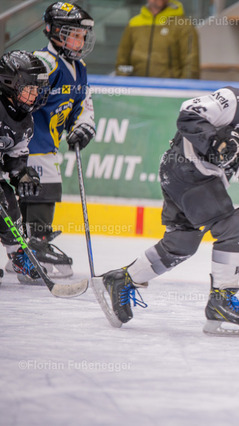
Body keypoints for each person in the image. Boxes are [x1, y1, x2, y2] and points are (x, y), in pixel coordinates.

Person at [97, 45, 239, 336]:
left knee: (181, 244)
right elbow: (189, 114)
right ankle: (221, 300)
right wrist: (217, 141)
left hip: (200, 177)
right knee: (233, 227)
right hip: (186, 170)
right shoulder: (234, 100)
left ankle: (121, 279)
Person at [18, 2, 96, 281]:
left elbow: (82, 104)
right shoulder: (42, 63)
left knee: (34, 190)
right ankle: (35, 246)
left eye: (82, 36)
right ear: (54, 32)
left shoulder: (79, 68)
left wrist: (83, 126)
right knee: (44, 184)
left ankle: (25, 250)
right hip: (27, 145)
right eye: (74, 35)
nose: (80, 41)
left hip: (46, 146)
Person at [0, 50, 49, 282]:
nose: (35, 94)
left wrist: (22, 175)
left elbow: (15, 156)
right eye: (30, 88)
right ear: (10, 84)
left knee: (8, 199)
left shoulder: (25, 120)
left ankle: (18, 255)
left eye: (37, 89)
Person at [115, 0, 200, 79]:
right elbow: (122, 61)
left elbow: (191, 66)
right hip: (137, 88)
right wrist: (126, 84)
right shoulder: (133, 24)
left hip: (169, 88)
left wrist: (181, 89)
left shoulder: (183, 26)